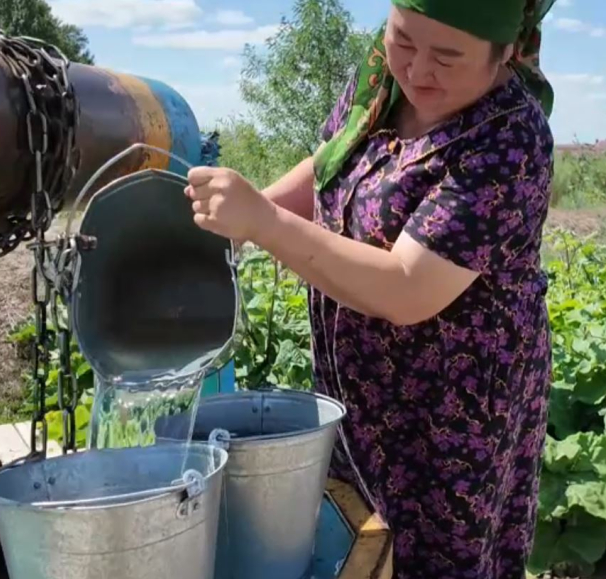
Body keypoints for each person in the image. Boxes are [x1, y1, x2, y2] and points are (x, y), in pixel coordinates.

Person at [186, 1, 556, 577]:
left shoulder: (510, 139)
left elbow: (407, 290)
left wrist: (262, 222)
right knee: (357, 544)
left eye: (447, 57)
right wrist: (236, 225)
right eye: (403, 40)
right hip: (361, 392)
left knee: (432, 561)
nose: (417, 71)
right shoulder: (382, 77)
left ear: (506, 51)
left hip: (451, 421)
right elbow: (331, 163)